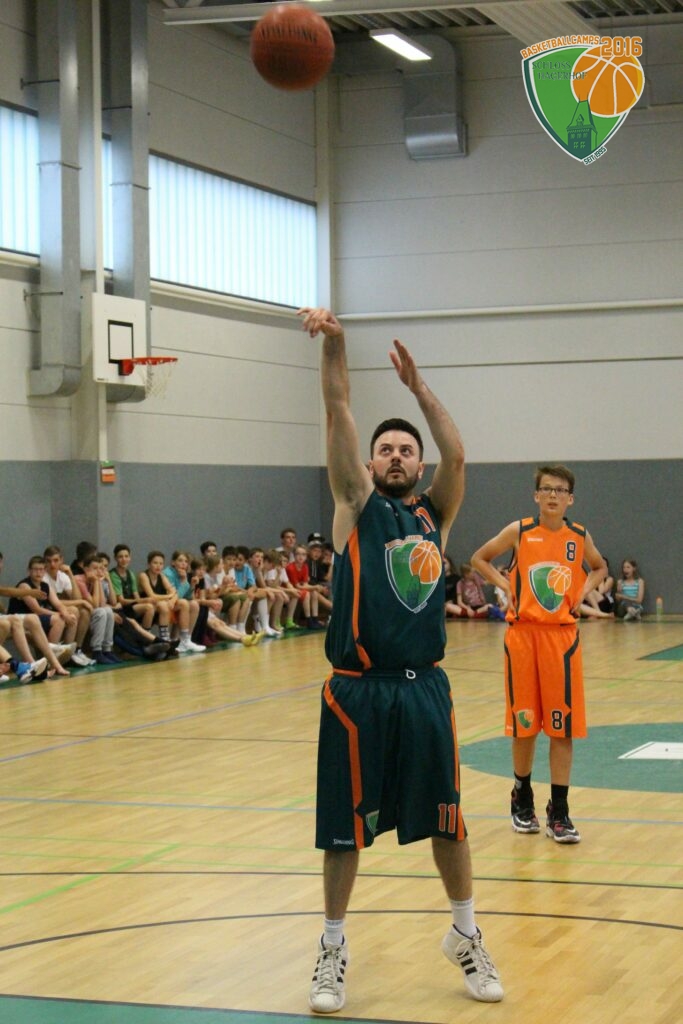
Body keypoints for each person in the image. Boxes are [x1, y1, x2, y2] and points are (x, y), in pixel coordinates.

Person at [300, 306, 503, 1012]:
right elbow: (337, 408)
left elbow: (459, 456)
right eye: (384, 449)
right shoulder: (354, 505)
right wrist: (336, 344)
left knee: (448, 819)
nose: (394, 456)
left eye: (405, 450)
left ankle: (466, 935)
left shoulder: (432, 516)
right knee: (344, 830)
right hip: (356, 690)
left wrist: (419, 390)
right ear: (367, 464)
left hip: (424, 690)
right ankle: (332, 948)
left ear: (417, 466)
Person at [471, 464, 607, 845]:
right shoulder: (519, 531)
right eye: (546, 489)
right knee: (525, 723)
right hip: (522, 636)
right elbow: (479, 558)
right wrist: (504, 584)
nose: (552, 495)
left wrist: (582, 592)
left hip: (561, 639)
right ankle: (522, 796)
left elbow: (599, 567)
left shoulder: (578, 536)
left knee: (562, 727)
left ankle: (559, 811)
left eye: (560, 490)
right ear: (536, 495)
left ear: (570, 499)